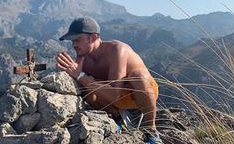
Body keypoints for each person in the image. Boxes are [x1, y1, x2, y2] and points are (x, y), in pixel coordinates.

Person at [56, 16, 162, 144]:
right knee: (85, 88)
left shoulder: (117, 49)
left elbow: (114, 95)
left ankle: (151, 129)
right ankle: (117, 119)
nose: (74, 45)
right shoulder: (83, 58)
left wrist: (80, 75)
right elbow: (85, 87)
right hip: (116, 101)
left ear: (94, 37)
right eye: (72, 41)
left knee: (137, 76)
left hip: (140, 93)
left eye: (77, 40)